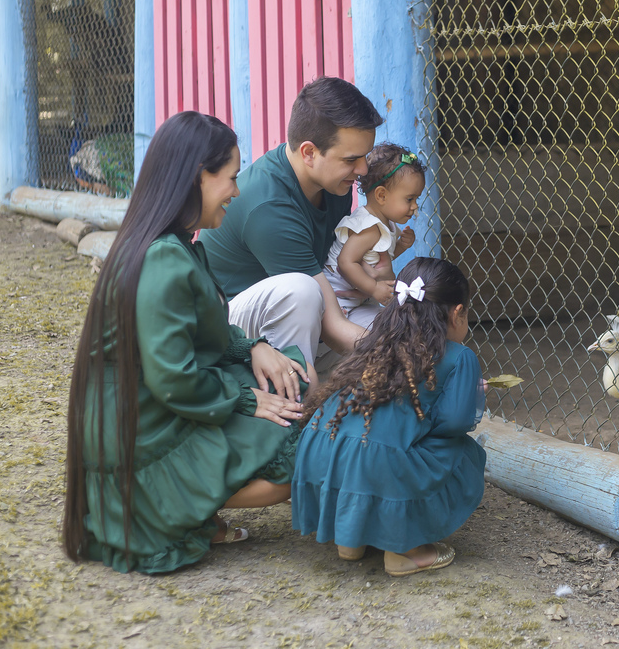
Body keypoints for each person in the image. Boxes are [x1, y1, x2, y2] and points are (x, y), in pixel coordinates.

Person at [62, 111, 312, 575]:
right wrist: (243, 398)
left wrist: (251, 346)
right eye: (232, 178)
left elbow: (204, 330)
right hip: (143, 427)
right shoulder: (162, 259)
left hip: (153, 405)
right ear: (199, 176)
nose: (237, 192)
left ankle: (194, 502)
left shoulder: (171, 244)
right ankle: (172, 507)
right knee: (291, 453)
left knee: (290, 388)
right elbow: (174, 378)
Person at [292, 257, 488, 577]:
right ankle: (405, 550)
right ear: (457, 313)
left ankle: (351, 541)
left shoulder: (374, 343)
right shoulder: (460, 356)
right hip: (371, 462)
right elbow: (455, 422)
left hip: (321, 447)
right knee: (463, 452)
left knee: (370, 447)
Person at [199, 76, 384, 369]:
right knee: (303, 293)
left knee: (390, 325)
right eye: (351, 159)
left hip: (290, 318)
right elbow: (332, 326)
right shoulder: (270, 206)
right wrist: (401, 356)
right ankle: (299, 398)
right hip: (223, 328)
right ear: (309, 153)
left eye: (364, 157)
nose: (362, 169)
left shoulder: (333, 183)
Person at [323, 143, 425, 324]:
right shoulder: (369, 228)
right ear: (381, 196)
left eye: (416, 199)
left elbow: (378, 258)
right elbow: (346, 262)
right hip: (338, 300)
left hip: (358, 299)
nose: (415, 206)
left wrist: (402, 245)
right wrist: (375, 288)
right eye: (409, 199)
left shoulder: (386, 223)